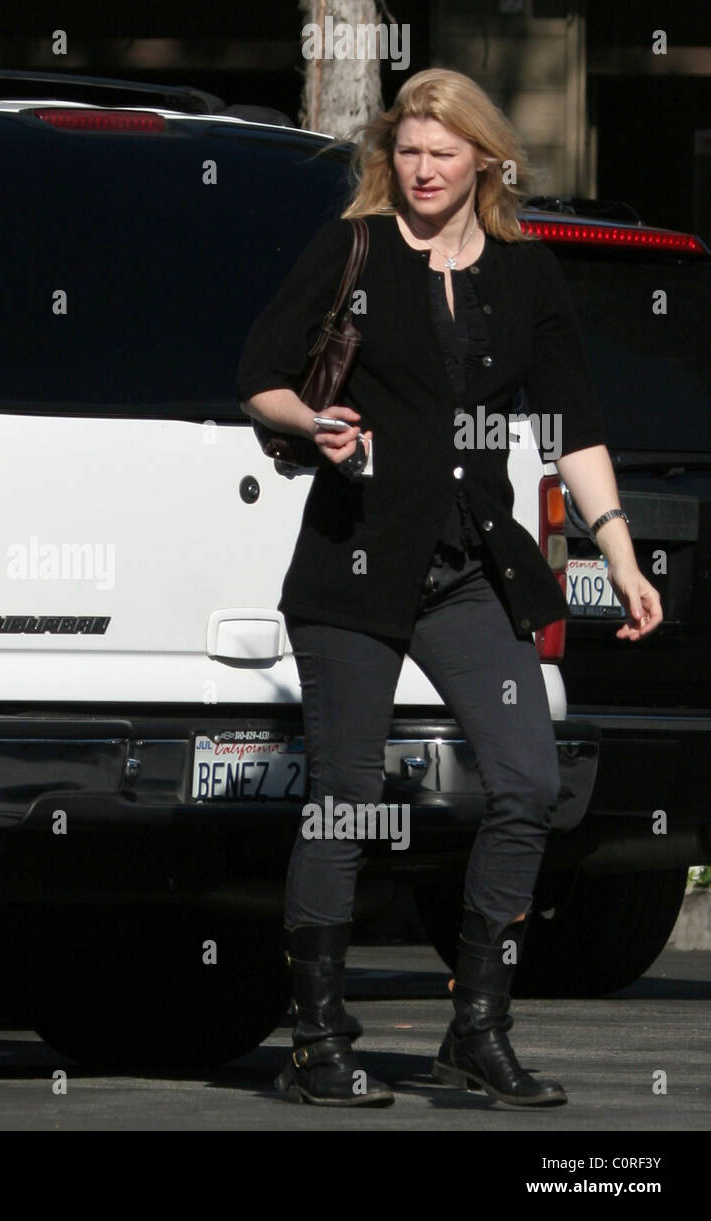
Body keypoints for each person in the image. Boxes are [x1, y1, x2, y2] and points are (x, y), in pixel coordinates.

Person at [236, 67, 661, 1108]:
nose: (424, 170)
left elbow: (570, 427)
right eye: (410, 152)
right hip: (356, 565)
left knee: (525, 782)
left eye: (444, 152)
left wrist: (615, 549)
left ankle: (476, 1028)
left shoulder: (525, 274)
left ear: (484, 158)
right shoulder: (354, 249)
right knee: (344, 800)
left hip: (471, 570)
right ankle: (317, 1040)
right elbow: (259, 371)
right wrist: (312, 422)